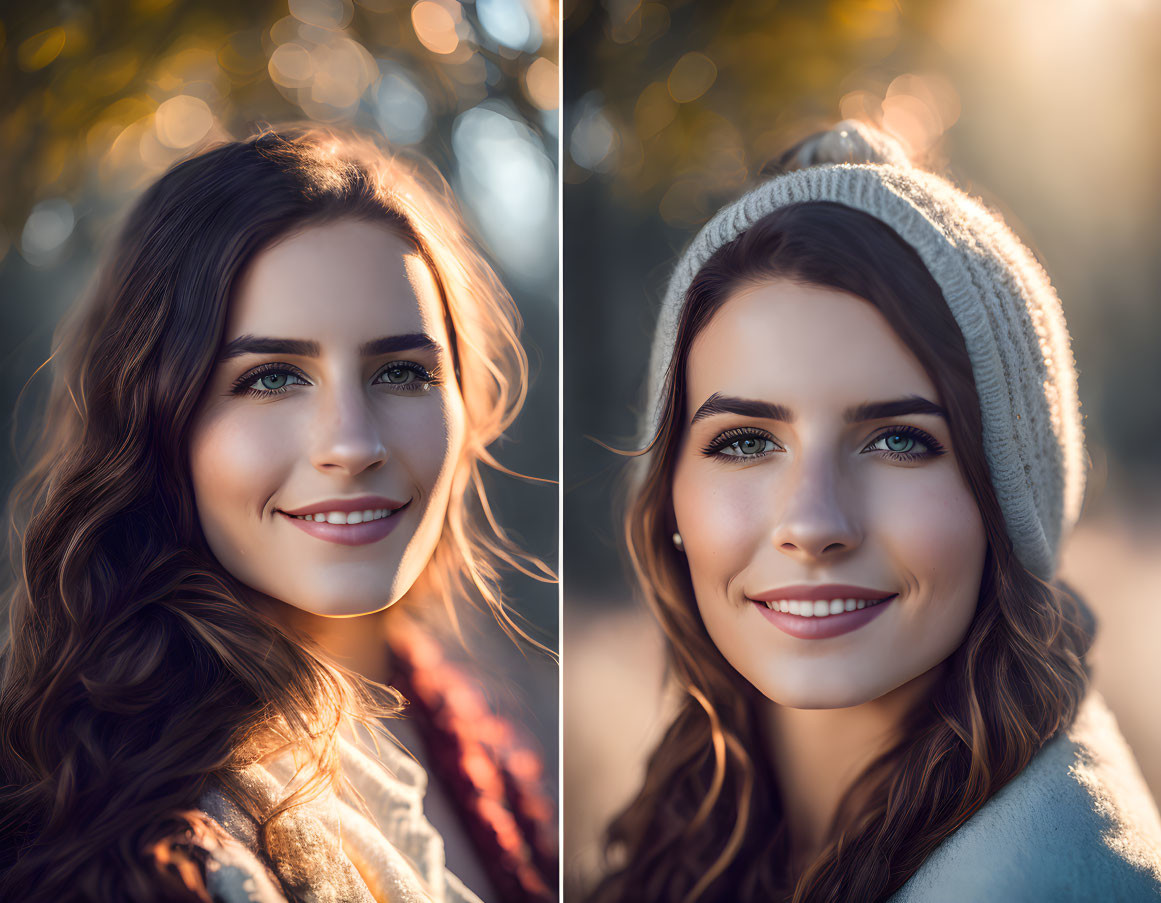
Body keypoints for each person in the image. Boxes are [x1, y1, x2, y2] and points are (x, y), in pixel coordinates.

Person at [589, 121, 1161, 901]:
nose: (813, 523)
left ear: (1008, 498)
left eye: (897, 439)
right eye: (747, 441)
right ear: (669, 500)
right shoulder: (699, 810)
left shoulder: (1055, 879)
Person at [0, 128, 555, 902]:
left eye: (401, 371)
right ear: (153, 421)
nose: (352, 444)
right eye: (270, 379)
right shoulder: (136, 842)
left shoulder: (459, 731)